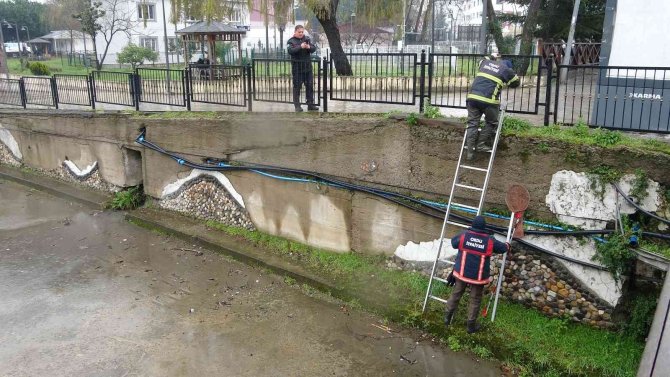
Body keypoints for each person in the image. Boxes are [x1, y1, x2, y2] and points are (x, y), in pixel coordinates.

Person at [444, 215, 510, 333]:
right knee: (475, 300)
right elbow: (503, 248)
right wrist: (508, 245)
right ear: (484, 227)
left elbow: (454, 243)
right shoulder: (489, 240)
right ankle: (470, 326)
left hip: (461, 275)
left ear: (472, 225)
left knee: (456, 294)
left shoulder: (464, 235)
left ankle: (447, 319)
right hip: (477, 278)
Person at [465, 54, 520, 160]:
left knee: (472, 124)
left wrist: (492, 57)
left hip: (472, 98)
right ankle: (481, 145)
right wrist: (507, 79)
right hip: (488, 100)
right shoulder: (506, 69)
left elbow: (482, 60)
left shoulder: (485, 63)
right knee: (491, 122)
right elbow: (516, 83)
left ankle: (470, 152)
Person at [287, 25, 318, 112]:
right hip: (297, 69)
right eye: (299, 32)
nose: (301, 33)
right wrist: (300, 46)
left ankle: (310, 105)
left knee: (309, 86)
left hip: (307, 68)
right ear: (295, 32)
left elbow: (314, 48)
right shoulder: (291, 41)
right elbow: (290, 51)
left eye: (302, 32)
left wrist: (309, 47)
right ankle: (297, 106)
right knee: (297, 87)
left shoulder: (306, 39)